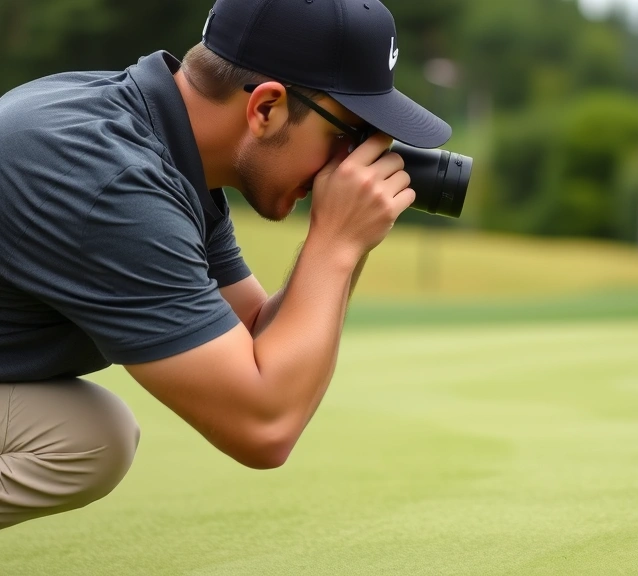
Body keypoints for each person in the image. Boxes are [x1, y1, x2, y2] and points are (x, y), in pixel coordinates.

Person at [0, 0, 450, 531]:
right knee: (87, 438)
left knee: (90, 432)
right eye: (349, 136)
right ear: (266, 108)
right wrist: (336, 243)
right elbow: (263, 427)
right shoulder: (114, 182)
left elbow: (259, 337)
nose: (355, 163)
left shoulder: (155, 137)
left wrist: (353, 235)